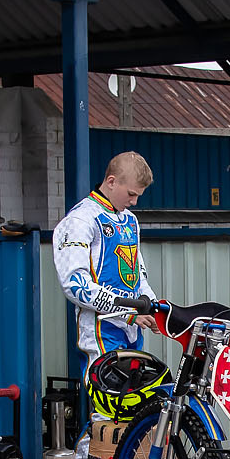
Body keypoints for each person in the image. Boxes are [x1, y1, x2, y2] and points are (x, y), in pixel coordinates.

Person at [54, 151, 157, 365]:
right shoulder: (80, 219)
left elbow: (138, 276)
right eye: (131, 194)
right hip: (100, 332)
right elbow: (75, 284)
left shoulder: (130, 220)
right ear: (111, 182)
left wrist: (155, 309)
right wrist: (127, 312)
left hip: (132, 331)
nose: (134, 201)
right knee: (108, 387)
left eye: (138, 195)